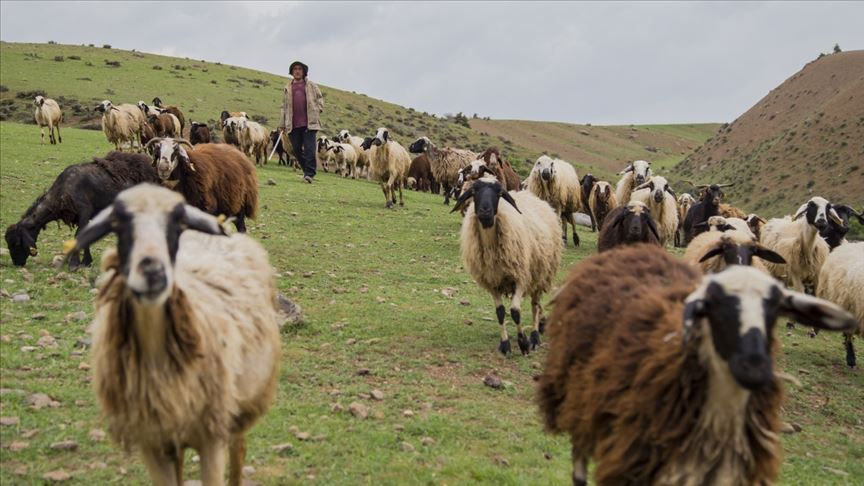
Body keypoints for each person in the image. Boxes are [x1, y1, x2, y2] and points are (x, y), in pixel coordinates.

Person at [279, 61, 324, 183]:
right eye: (295, 69)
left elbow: (320, 99)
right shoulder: (287, 87)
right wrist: (282, 123)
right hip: (293, 124)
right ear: (291, 72)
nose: (297, 71)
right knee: (297, 150)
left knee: (310, 150)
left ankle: (310, 174)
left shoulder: (311, 85)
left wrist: (318, 110)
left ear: (304, 72)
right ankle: (306, 171)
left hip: (310, 124)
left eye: (299, 69)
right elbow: (284, 107)